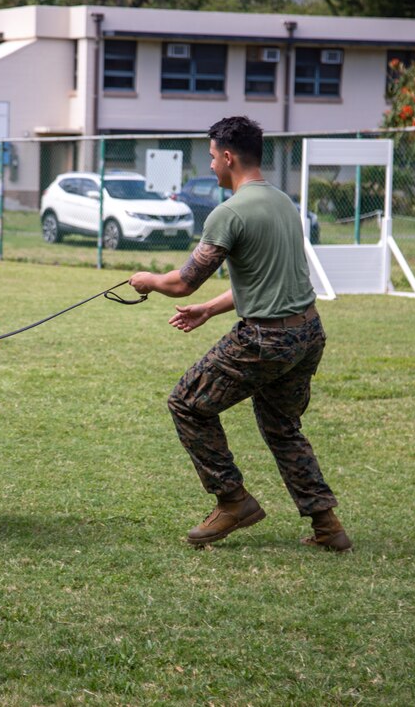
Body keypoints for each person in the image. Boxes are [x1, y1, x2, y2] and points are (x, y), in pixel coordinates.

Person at [130, 116, 351, 551]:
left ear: (228, 157)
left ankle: (233, 502)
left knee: (187, 403)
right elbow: (271, 278)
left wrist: (148, 279)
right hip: (307, 333)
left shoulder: (228, 213)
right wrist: (211, 310)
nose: (211, 165)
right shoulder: (284, 203)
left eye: (212, 157)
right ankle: (328, 526)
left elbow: (182, 282)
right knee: (282, 426)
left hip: (265, 339)